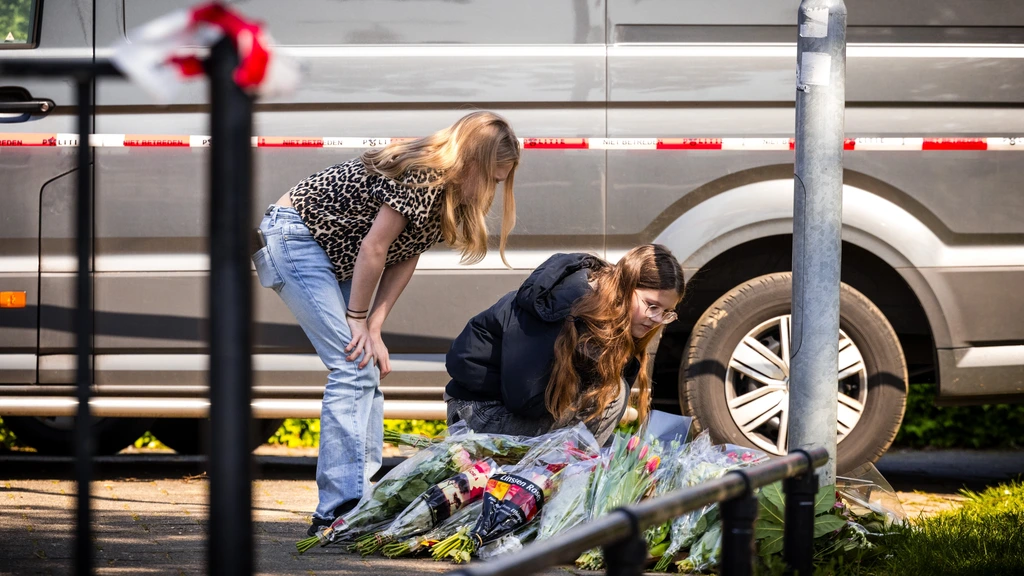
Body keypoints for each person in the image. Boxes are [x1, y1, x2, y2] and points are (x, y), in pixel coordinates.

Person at [252, 111, 521, 535]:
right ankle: (338, 510)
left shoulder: (448, 192)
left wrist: (374, 326)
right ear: (473, 162)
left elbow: (404, 252)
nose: (495, 188)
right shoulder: (422, 173)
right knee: (351, 366)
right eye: (494, 177)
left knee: (365, 364)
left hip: (332, 254)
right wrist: (357, 319)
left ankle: (360, 499)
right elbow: (375, 246)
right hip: (297, 238)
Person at [444, 244, 685, 446]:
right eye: (651, 305)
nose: (656, 319)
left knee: (615, 447)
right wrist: (592, 377)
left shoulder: (619, 316)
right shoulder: (563, 304)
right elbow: (525, 400)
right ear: (625, 286)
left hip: (514, 410)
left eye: (666, 312)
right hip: (477, 415)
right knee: (611, 395)